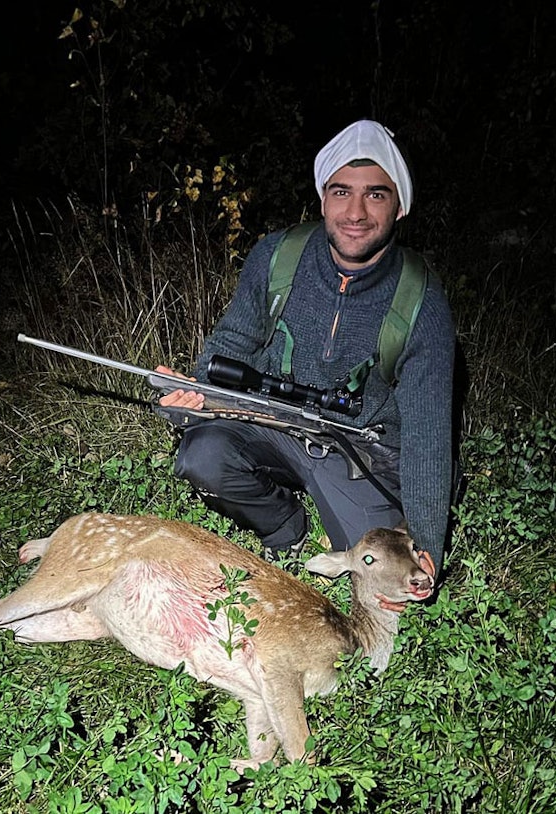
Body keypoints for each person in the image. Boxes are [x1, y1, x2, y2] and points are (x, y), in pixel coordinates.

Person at [157, 119, 455, 602]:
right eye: (341, 192)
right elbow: (230, 346)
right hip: (275, 423)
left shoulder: (421, 300)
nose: (355, 212)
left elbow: (428, 438)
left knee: (392, 590)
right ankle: (284, 530)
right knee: (203, 455)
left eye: (376, 195)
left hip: (355, 453)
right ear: (322, 198)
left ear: (400, 206)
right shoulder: (277, 256)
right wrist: (192, 394)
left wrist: (425, 543)